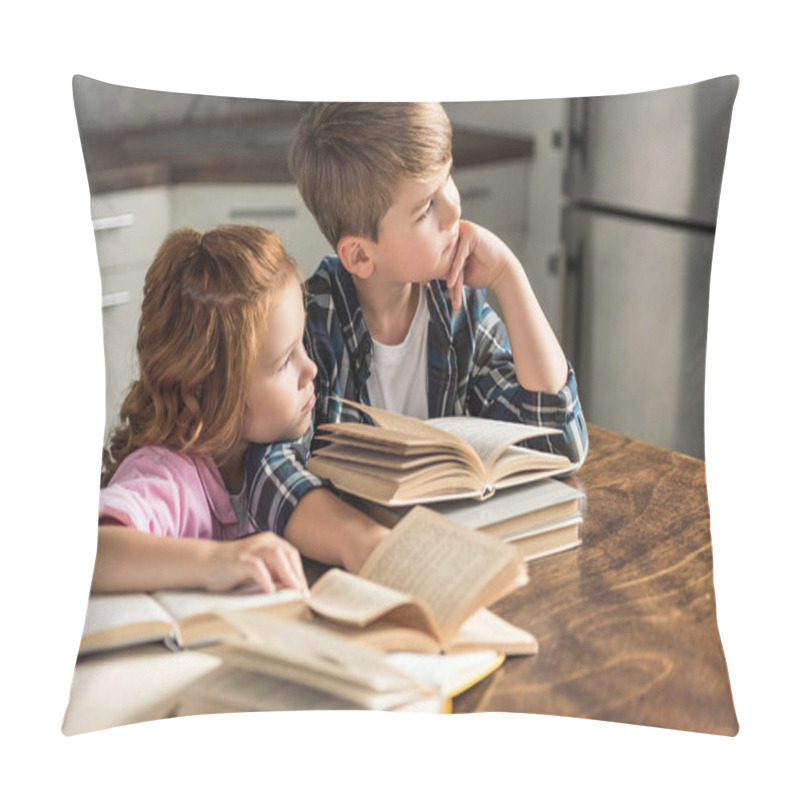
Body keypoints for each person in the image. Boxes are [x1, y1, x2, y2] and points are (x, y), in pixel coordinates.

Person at [246, 102, 589, 561]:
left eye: (449, 176)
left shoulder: (456, 307)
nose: (455, 208)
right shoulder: (310, 328)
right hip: (360, 572)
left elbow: (558, 441)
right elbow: (268, 472)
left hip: (449, 557)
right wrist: (365, 542)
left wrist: (510, 277)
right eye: (427, 206)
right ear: (360, 257)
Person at [92, 224, 349, 596]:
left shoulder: (276, 452)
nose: (311, 369)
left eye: (302, 345)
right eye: (283, 363)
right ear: (210, 391)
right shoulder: (168, 475)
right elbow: (95, 552)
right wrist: (217, 560)